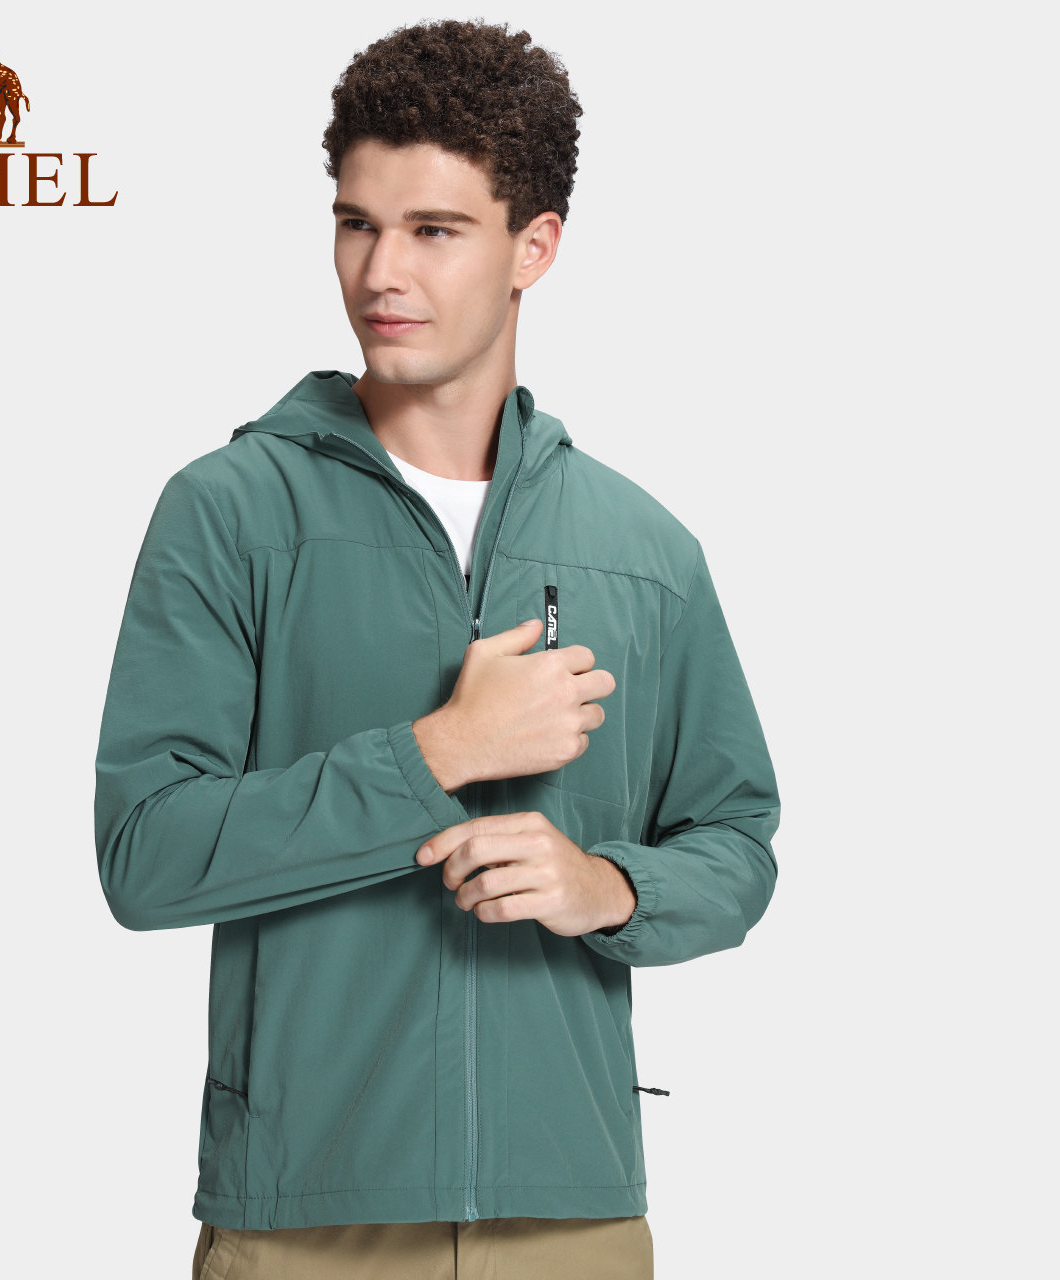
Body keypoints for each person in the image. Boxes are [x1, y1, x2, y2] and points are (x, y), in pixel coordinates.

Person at [93, 18, 780, 1280]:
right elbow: (145, 854)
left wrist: (607, 888)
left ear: (534, 247)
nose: (380, 272)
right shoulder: (229, 512)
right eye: (356, 223)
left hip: (571, 1217)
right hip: (305, 1217)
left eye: (434, 230)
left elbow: (736, 842)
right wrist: (434, 755)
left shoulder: (643, 549)